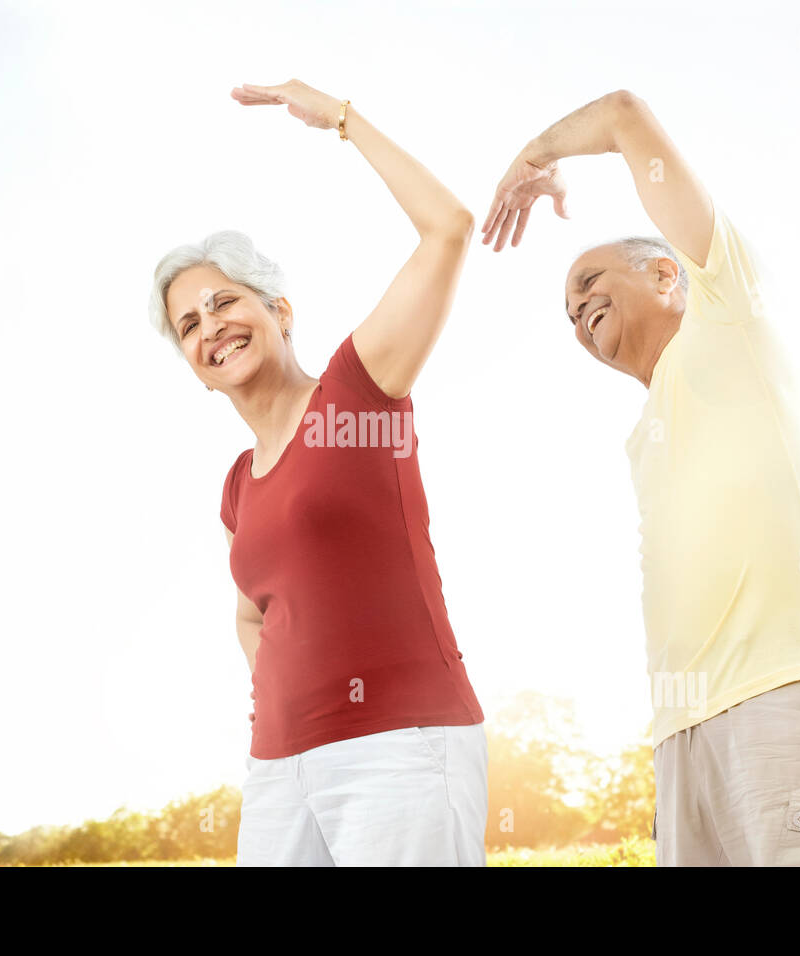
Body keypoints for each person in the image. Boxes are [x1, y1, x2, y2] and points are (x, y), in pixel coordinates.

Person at [481, 89, 800, 866]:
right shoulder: (644, 434)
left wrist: (535, 155)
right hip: (683, 733)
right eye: (566, 312)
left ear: (666, 275)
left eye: (590, 282)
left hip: (781, 696)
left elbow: (627, 115)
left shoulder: (731, 316)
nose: (577, 308)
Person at [149, 79, 487, 866]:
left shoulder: (357, 389)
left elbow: (448, 229)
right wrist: (284, 703)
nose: (212, 329)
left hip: (400, 749)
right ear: (195, 368)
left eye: (226, 302)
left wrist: (339, 117)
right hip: (277, 769)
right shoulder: (238, 482)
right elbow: (252, 617)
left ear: (279, 310)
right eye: (189, 325)